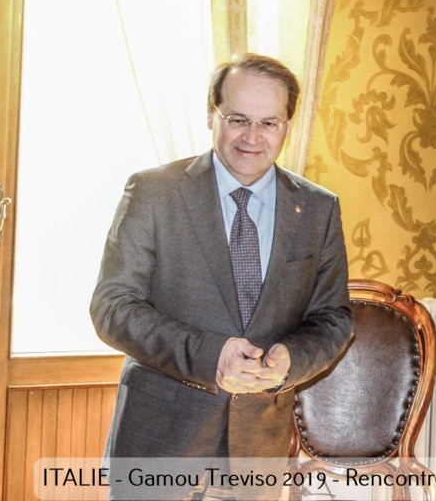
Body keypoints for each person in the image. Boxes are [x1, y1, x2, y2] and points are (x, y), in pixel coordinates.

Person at [91, 54, 353, 497]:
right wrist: (210, 356)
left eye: (269, 123)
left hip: (258, 455)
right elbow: (112, 307)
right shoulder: (154, 193)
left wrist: (291, 360)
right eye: (238, 119)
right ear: (211, 114)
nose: (252, 137)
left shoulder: (317, 209)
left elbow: (333, 319)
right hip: (158, 446)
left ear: (287, 126)